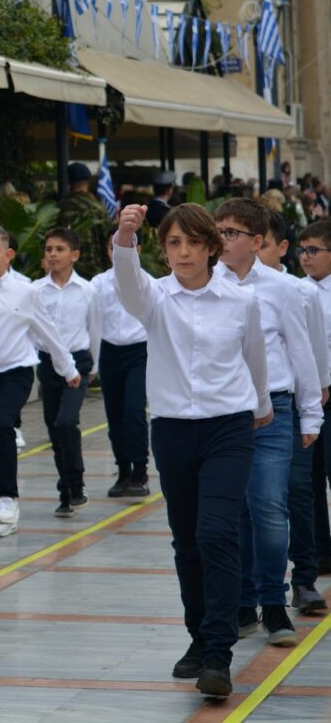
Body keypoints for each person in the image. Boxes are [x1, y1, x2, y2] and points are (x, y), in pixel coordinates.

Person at [114, 202, 271, 698]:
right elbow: (127, 283)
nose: (184, 252)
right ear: (163, 250)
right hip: (173, 430)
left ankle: (219, 654)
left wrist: (262, 405)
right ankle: (199, 637)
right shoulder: (154, 299)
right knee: (187, 540)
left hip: (229, 428)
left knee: (217, 532)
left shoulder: (241, 300)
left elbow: (254, 357)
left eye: (194, 242)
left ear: (212, 247)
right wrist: (125, 236)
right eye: (174, 243)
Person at [212, 198, 321, 649]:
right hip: (223, 411)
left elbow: (301, 351)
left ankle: (274, 601)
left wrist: (311, 412)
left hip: (274, 408)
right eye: (218, 230)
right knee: (233, 510)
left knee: (270, 507)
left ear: (257, 242)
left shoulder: (283, 288)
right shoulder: (205, 282)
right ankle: (243, 601)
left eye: (231, 233)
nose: (222, 240)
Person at [0, 224, 79, 537]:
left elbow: (47, 331)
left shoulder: (26, 291)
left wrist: (68, 369)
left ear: (9, 255)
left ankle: (8, 500)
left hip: (15, 372)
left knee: (0, 425)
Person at [259, 212, 330, 616]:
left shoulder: (298, 292)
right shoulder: (226, 288)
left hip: (292, 403)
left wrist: (312, 406)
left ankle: (304, 577)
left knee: (298, 490)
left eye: (262, 243)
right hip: (244, 408)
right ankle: (249, 591)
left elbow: (314, 356)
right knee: (256, 502)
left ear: (278, 247)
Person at [33, 228, 100, 517]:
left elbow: (95, 328)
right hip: (48, 364)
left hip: (79, 362)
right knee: (54, 428)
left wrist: (94, 366)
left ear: (74, 255)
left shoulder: (87, 290)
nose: (52, 254)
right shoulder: (36, 290)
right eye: (49, 249)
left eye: (59, 249)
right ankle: (66, 492)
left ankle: (77, 482)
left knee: (66, 421)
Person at [90, 230, 151, 497]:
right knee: (114, 416)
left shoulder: (148, 282)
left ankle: (140, 471)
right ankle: (123, 471)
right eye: (113, 247)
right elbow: (90, 320)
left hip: (139, 352)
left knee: (134, 410)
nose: (118, 253)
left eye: (127, 246)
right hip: (110, 351)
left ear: (138, 250)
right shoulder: (98, 284)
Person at [299, 220, 331, 576]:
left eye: (313, 250)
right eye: (302, 250)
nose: (305, 257)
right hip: (309, 395)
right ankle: (321, 549)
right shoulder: (298, 291)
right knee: (310, 477)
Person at [56, 162, 113, 280]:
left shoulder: (59, 209)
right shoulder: (99, 209)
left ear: (69, 181)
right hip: (97, 272)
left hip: (70, 272)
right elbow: (109, 241)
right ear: (88, 180)